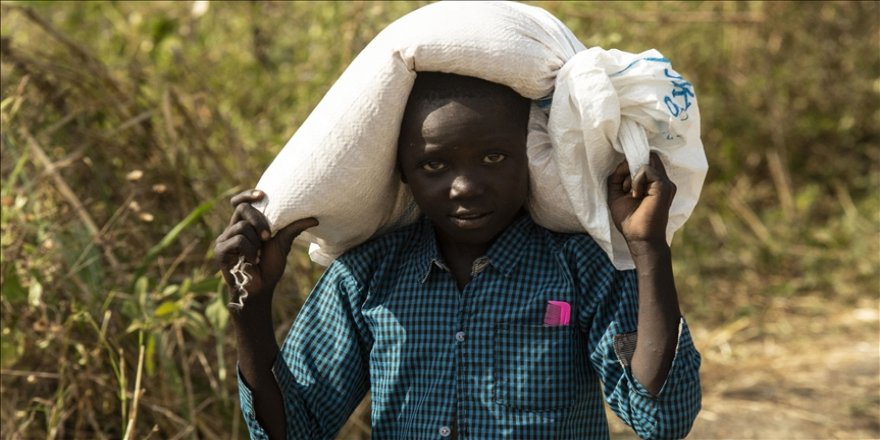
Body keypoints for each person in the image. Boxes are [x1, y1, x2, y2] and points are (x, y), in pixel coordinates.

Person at [215, 72, 701, 440]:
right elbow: (292, 430)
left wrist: (648, 249)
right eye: (433, 164)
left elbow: (662, 420)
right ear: (402, 174)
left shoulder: (580, 268)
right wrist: (249, 310)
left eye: (493, 157)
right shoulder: (365, 276)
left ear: (532, 156)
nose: (465, 186)